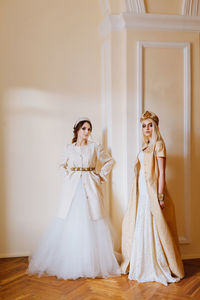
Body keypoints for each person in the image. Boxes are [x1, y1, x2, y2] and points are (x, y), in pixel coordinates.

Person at [28, 117, 120, 279]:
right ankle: (72, 261)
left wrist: (100, 176)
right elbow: (60, 165)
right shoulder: (69, 148)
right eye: (84, 128)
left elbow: (109, 161)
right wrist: (69, 176)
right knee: (71, 221)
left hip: (90, 186)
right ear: (77, 130)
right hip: (73, 188)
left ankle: (92, 263)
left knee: (94, 218)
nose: (87, 132)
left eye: (89, 129)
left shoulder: (95, 147)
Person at [121, 111, 184, 286]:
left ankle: (157, 264)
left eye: (150, 125)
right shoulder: (145, 145)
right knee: (140, 221)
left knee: (154, 223)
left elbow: (162, 173)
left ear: (155, 126)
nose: (147, 128)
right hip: (141, 190)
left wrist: (160, 196)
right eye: (144, 126)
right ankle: (142, 262)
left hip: (152, 190)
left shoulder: (159, 144)